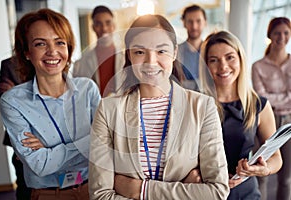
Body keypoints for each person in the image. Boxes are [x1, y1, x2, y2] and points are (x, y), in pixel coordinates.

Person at [89, 14, 229, 200]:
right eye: (139, 52)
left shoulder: (202, 107)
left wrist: (140, 190)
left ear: (175, 52)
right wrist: (184, 191)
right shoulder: (108, 110)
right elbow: (100, 195)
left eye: (161, 51)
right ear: (129, 55)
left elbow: (217, 191)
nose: (150, 61)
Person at [0, 8, 101, 200]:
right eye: (40, 44)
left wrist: (49, 147)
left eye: (59, 42)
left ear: (68, 48)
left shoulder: (88, 90)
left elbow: (105, 146)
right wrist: (89, 143)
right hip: (49, 195)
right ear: (27, 52)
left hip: (95, 189)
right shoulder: (13, 101)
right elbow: (40, 164)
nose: (52, 51)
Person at [199, 30, 282, 200]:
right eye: (214, 60)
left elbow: (276, 158)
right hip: (204, 191)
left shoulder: (259, 105)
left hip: (245, 192)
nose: (223, 67)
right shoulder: (197, 103)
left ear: (240, 59)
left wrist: (262, 169)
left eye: (230, 57)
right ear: (206, 66)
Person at [252, 17, 291, 200]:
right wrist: (286, 97)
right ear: (269, 35)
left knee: (287, 178)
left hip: (289, 121)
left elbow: (268, 97)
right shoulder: (258, 66)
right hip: (267, 121)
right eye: (277, 33)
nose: (281, 37)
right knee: (262, 173)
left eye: (286, 33)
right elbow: (263, 98)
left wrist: (274, 98)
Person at [0, 56, 32, 200]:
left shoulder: (56, 61)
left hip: (59, 144)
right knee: (26, 189)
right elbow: (6, 100)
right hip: (23, 140)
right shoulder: (11, 65)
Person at [73, 5, 125, 97]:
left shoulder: (128, 58)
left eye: (108, 23)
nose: (104, 28)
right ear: (93, 27)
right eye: (98, 24)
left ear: (114, 26)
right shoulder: (81, 63)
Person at [177, 4, 207, 91]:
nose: (194, 26)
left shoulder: (211, 51)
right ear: (184, 23)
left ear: (205, 22)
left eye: (198, 21)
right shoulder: (176, 52)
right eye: (190, 21)